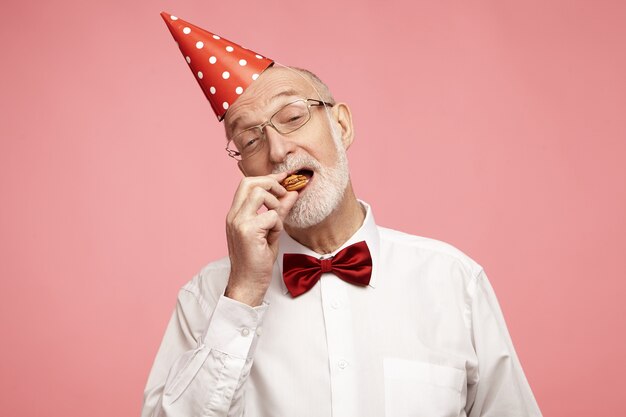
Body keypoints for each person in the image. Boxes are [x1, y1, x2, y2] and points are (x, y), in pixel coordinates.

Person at [142, 12, 543, 417]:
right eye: (250, 139)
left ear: (342, 126)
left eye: (293, 117)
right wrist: (242, 295)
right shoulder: (205, 299)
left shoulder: (455, 282)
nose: (279, 151)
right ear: (245, 170)